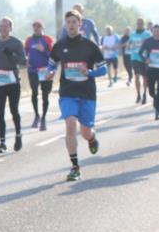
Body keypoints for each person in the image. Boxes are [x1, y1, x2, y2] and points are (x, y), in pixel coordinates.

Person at [47, 9, 106, 181]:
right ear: (66, 25)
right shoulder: (60, 45)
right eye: (68, 22)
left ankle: (92, 138)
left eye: (74, 22)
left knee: (85, 132)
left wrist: (89, 72)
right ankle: (75, 166)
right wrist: (50, 72)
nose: (71, 25)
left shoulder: (90, 46)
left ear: (80, 24)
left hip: (87, 93)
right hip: (68, 92)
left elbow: (103, 69)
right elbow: (51, 64)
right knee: (70, 123)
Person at [0, 17, 27, 154]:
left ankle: (18, 135)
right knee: (0, 111)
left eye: (5, 26)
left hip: (12, 80)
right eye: (1, 26)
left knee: (14, 110)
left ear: (10, 28)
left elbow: (24, 61)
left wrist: (12, 55)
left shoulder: (16, 43)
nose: (2, 29)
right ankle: (2, 142)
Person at [25, 20, 54, 131]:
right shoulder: (29, 40)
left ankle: (43, 118)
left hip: (45, 70)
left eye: (38, 26)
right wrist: (26, 60)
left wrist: (44, 51)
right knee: (34, 93)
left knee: (45, 95)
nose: (36, 28)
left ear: (43, 28)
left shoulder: (47, 39)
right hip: (33, 71)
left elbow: (54, 55)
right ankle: (37, 115)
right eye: (34, 26)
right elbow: (25, 52)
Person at [125, 19, 151, 104]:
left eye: (141, 23)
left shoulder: (147, 34)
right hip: (134, 57)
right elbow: (128, 44)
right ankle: (138, 94)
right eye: (138, 23)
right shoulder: (133, 34)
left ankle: (144, 95)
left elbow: (151, 45)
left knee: (145, 77)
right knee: (136, 76)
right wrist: (129, 46)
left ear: (143, 24)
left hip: (143, 58)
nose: (139, 25)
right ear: (136, 24)